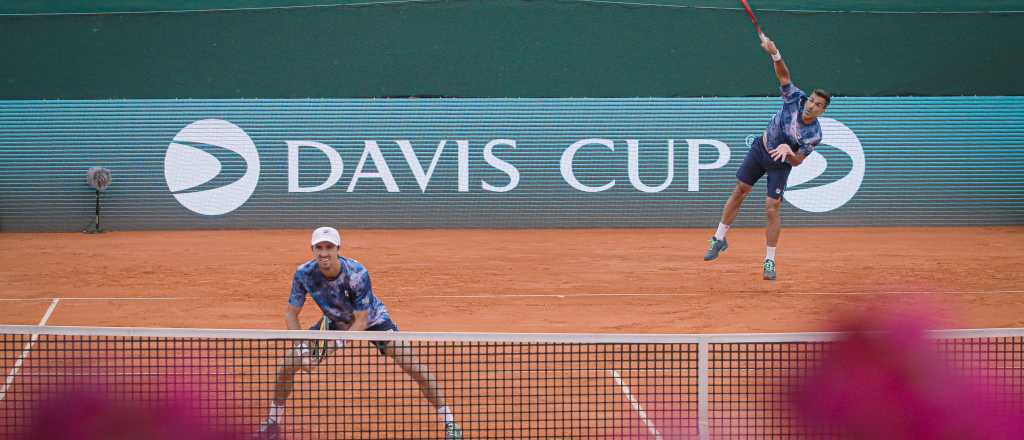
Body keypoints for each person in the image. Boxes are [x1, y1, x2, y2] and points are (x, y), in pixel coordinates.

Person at [258, 227, 463, 439]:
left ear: (338, 249)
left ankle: (450, 422)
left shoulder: (357, 273)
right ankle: (273, 421)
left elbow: (362, 320)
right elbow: (291, 315)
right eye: (319, 247)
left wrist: (337, 344)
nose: (324, 252)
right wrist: (301, 348)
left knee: (412, 364)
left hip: (374, 320)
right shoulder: (304, 274)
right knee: (287, 366)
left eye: (329, 247)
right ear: (312, 249)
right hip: (336, 321)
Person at [703, 32, 830, 280]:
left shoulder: (815, 134)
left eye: (817, 105)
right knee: (740, 189)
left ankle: (769, 261)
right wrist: (775, 52)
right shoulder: (795, 98)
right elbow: (784, 75)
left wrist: (788, 152)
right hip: (761, 149)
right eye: (812, 100)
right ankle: (719, 238)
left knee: (772, 209)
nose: (811, 105)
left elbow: (799, 160)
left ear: (823, 111)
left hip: (781, 164)